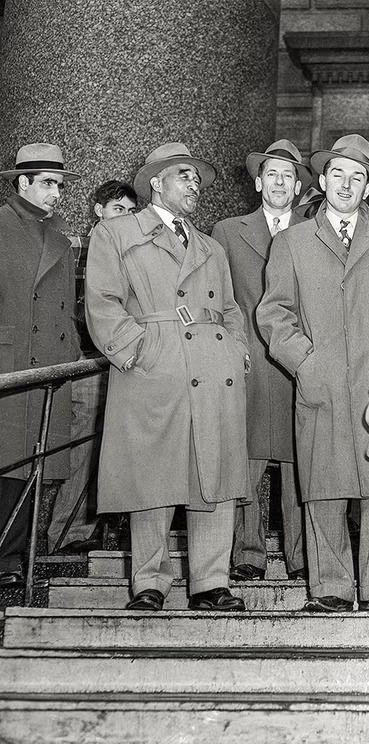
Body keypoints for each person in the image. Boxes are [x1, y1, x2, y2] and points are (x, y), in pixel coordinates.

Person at [85, 142, 250, 612]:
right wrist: (137, 350)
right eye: (184, 174)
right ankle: (150, 581)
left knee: (212, 474)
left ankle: (210, 581)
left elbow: (231, 308)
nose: (195, 183)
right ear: (155, 182)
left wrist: (237, 351)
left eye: (198, 177)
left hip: (214, 368)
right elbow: (102, 302)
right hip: (156, 366)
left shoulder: (211, 246)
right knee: (152, 476)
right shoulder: (117, 232)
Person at [257, 134, 369, 613]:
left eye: (358, 177)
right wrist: (305, 363)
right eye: (339, 175)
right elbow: (274, 314)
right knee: (323, 487)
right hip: (321, 382)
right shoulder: (291, 242)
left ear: (368, 188)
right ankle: (329, 587)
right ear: (323, 181)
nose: (348, 184)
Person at [212, 139, 310, 582]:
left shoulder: (315, 228)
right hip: (247, 360)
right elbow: (218, 298)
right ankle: (247, 554)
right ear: (257, 182)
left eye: (287, 176)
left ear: (299, 186)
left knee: (301, 463)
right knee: (245, 460)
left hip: (296, 361)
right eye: (271, 174)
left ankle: (302, 557)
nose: (278, 182)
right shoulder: (228, 231)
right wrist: (232, 349)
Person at [0, 143, 81, 587]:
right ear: (22, 183)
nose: (57, 193)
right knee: (10, 464)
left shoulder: (59, 236)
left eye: (61, 185)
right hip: (11, 366)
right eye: (48, 183)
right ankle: (8, 560)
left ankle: (17, 557)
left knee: (35, 465)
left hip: (48, 364)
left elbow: (66, 309)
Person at [47, 180, 138, 556]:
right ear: (98, 210)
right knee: (85, 448)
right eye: (118, 209)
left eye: (131, 212)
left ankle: (113, 532)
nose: (125, 218)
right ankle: (68, 533)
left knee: (130, 450)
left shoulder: (135, 250)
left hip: (130, 363)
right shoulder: (75, 247)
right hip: (89, 362)